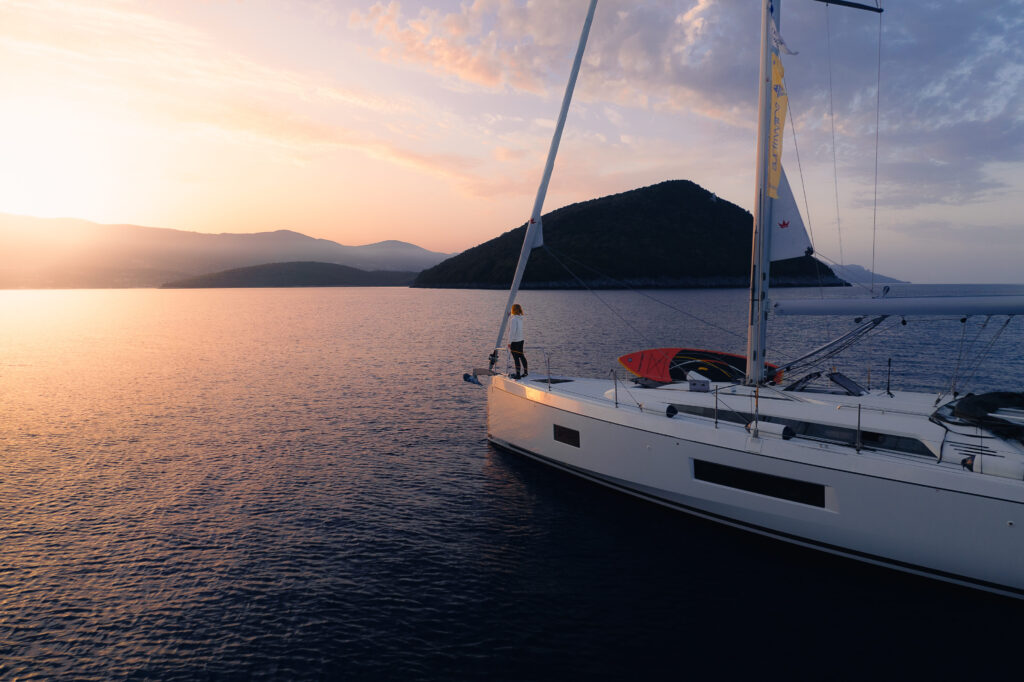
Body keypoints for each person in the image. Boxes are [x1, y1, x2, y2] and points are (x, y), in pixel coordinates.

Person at [508, 303, 528, 379]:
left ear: (513, 310)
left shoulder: (513, 320)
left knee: (516, 358)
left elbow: (512, 332)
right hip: (521, 340)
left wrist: (509, 342)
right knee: (521, 356)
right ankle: (525, 372)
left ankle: (518, 374)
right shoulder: (520, 318)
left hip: (515, 341)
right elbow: (515, 317)